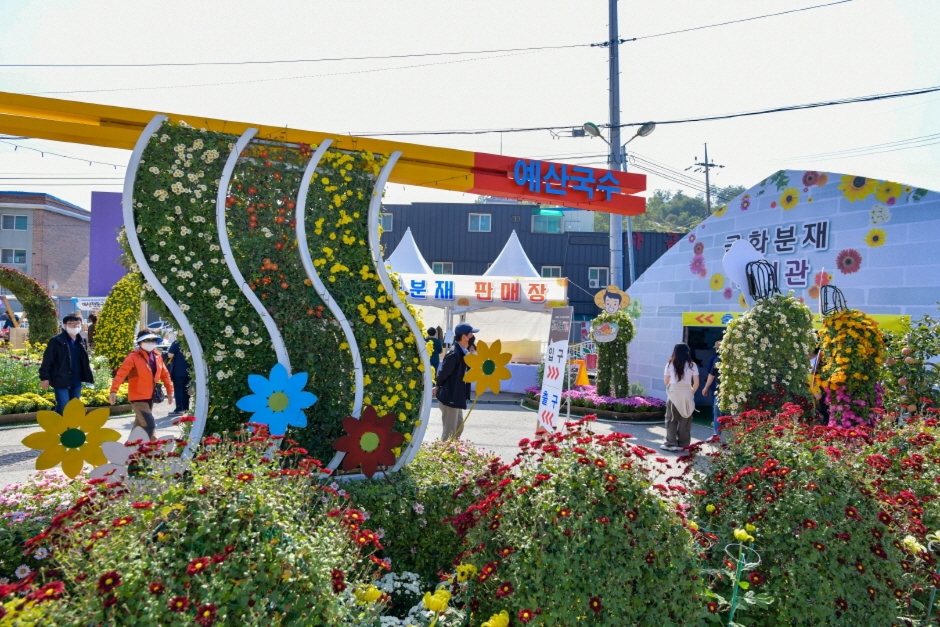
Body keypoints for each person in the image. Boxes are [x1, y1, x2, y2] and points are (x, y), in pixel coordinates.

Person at [109, 331, 174, 440]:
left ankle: (129, 449)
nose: (150, 343)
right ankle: (157, 451)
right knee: (149, 425)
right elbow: (121, 374)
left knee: (139, 427)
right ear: (140, 342)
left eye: (153, 340)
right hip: (138, 397)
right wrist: (113, 391)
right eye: (147, 340)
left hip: (151, 396)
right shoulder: (133, 357)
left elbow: (165, 374)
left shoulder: (157, 356)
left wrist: (170, 391)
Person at [39, 315, 95, 414]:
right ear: (65, 325)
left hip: (76, 379)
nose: (75, 326)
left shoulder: (81, 341)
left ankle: (71, 428)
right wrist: (44, 378)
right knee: (63, 405)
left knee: (74, 406)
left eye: (77, 323)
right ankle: (57, 426)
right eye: (71, 324)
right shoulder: (56, 341)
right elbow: (48, 360)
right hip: (61, 378)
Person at [434, 322, 477, 440]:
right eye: (471, 335)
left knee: (458, 427)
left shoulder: (463, 352)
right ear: (464, 337)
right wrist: (437, 386)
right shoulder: (454, 353)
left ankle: (453, 451)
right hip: (450, 398)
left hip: (456, 397)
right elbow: (443, 373)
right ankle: (442, 455)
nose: (472, 337)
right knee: (449, 433)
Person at [662, 343, 699, 452]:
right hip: (687, 394)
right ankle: (683, 444)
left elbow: (666, 382)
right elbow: (696, 382)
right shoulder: (692, 365)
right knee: (685, 420)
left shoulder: (670, 364)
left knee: (671, 419)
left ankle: (671, 444)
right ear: (688, 352)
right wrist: (692, 392)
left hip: (674, 394)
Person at [701, 340, 726, 436]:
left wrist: (706, 387)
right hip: (729, 391)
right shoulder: (733, 359)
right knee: (728, 413)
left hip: (719, 390)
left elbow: (711, 374)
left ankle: (717, 434)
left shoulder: (716, 359)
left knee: (717, 412)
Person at [166, 339, 191, 415]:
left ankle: (179, 409)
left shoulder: (176, 342)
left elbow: (170, 355)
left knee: (178, 390)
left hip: (178, 370)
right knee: (186, 390)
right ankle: (186, 408)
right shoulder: (190, 341)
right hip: (189, 371)